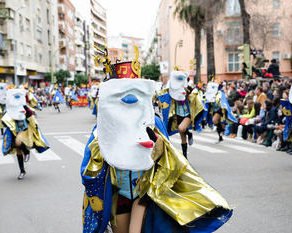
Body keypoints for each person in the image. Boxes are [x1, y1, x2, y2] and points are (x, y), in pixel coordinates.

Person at [81, 44, 233, 233]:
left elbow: (170, 162)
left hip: (143, 193)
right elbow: (88, 171)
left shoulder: (153, 123)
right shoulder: (101, 130)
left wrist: (157, 149)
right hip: (116, 194)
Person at [155, 68, 204, 158]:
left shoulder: (189, 90)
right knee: (182, 138)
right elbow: (162, 94)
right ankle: (185, 157)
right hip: (177, 116)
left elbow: (195, 95)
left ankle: (189, 134)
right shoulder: (172, 90)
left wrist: (189, 89)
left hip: (187, 115)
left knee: (181, 128)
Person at [2, 88, 50, 179]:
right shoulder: (8, 109)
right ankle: (22, 171)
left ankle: (27, 151)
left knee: (18, 142)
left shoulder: (24, 108)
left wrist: (25, 108)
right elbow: (4, 121)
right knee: (18, 150)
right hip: (13, 131)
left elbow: (31, 114)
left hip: (23, 129)